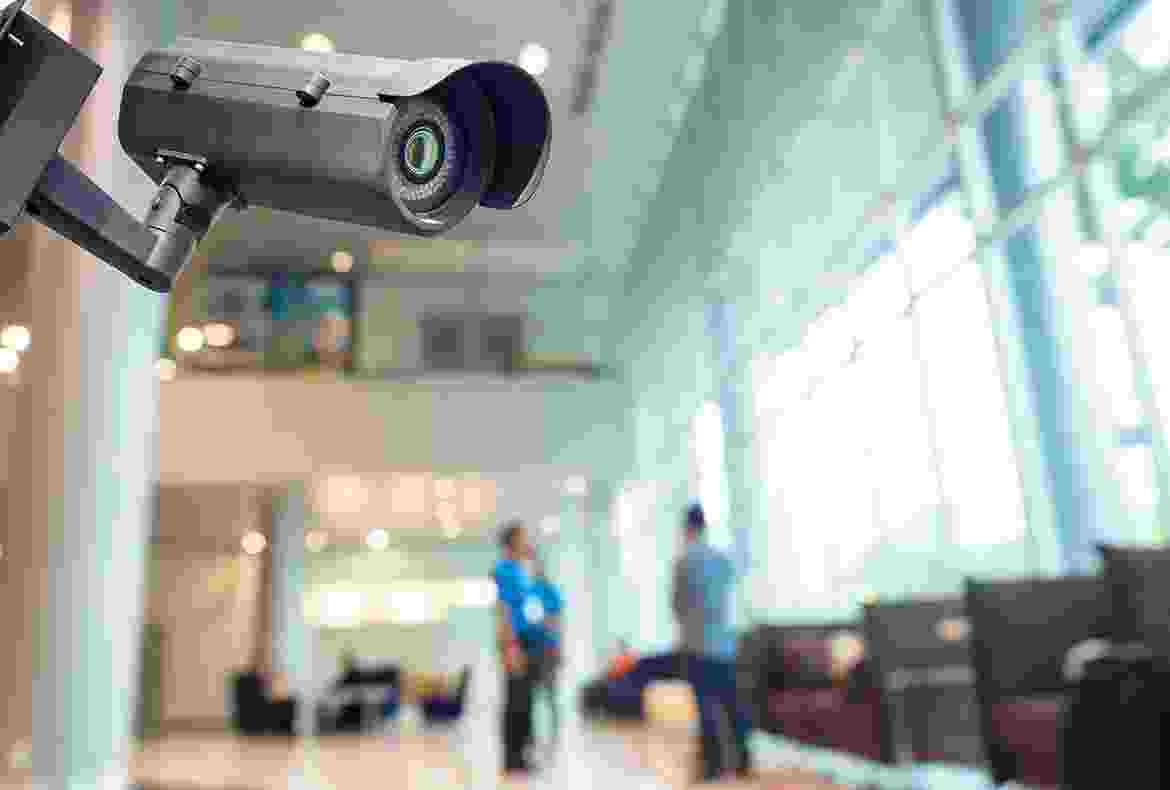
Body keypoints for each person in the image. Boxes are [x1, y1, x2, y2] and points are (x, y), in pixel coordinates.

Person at [672, 503, 753, 782]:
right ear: (705, 526)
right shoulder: (720, 557)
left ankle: (713, 765)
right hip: (724, 645)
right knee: (731, 704)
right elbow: (735, 582)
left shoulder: (683, 562)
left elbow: (678, 606)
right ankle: (742, 761)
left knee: (706, 706)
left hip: (697, 646)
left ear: (687, 528)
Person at [492, 521, 541, 775]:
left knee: (524, 700)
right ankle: (511, 759)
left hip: (526, 640)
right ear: (513, 542)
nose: (527, 542)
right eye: (523, 538)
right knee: (516, 700)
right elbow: (503, 610)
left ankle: (521, 755)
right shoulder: (504, 570)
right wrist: (510, 646)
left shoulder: (520, 570)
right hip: (514, 641)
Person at [529, 552, 564, 749]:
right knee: (532, 694)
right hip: (532, 648)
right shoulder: (528, 591)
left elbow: (557, 622)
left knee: (551, 693)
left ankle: (555, 734)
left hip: (549, 649)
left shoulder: (550, 591)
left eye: (538, 566)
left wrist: (559, 648)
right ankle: (531, 735)